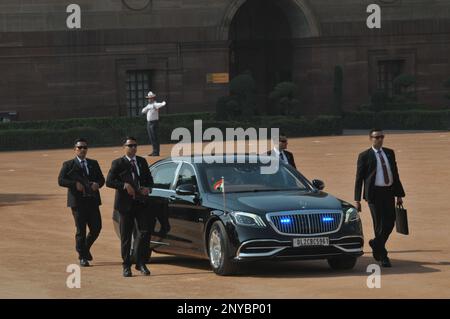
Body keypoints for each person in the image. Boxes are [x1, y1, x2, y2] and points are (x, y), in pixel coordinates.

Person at [354, 129, 405, 267]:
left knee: (390, 222)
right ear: (371, 138)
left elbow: (395, 174)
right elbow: (359, 179)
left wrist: (399, 194)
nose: (380, 139)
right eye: (377, 137)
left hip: (389, 192)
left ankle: (376, 243)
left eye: (382, 137)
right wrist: (357, 200)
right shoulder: (364, 155)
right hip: (373, 194)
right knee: (379, 224)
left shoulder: (389, 153)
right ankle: (383, 256)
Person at [106, 137, 154, 277]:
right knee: (126, 236)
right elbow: (109, 181)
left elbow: (149, 179)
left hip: (141, 203)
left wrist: (148, 188)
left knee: (144, 232)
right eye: (130, 145)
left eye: (135, 145)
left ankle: (140, 262)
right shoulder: (118, 163)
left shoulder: (141, 161)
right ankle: (126, 266)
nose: (133, 148)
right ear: (124, 147)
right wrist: (123, 185)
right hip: (125, 205)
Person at [58, 138, 105, 267]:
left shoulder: (93, 163)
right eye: (80, 148)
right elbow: (61, 180)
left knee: (96, 228)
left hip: (92, 201)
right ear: (75, 149)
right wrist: (75, 184)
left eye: (85, 147)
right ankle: (82, 256)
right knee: (81, 230)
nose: (83, 150)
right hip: (78, 203)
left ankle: (84, 248)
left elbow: (102, 179)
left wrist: (97, 184)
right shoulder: (68, 165)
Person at [141, 91, 166, 156]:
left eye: (150, 98)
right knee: (151, 138)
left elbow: (162, 104)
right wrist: (148, 108)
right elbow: (143, 111)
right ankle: (154, 151)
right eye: (148, 98)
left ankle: (156, 152)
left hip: (154, 123)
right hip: (149, 123)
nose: (149, 99)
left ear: (153, 98)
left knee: (155, 137)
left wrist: (163, 102)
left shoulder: (155, 104)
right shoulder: (149, 105)